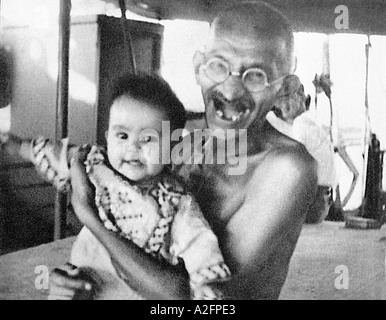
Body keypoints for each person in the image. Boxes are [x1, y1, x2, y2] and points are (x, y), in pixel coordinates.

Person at [49, 1, 318, 300]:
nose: (230, 91)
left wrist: (90, 218)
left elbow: (192, 299)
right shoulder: (186, 140)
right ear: (198, 68)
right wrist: (84, 279)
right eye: (219, 66)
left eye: (256, 76)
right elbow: (138, 231)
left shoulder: (288, 167)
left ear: (284, 88)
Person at [0, 73, 231, 300]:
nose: (133, 147)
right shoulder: (95, 167)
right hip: (84, 280)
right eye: (122, 136)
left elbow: (199, 242)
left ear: (173, 147)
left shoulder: (176, 200)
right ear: (108, 137)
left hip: (134, 290)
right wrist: (15, 144)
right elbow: (56, 155)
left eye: (148, 138)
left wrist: (205, 285)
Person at [267, 74, 337, 223]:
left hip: (312, 206)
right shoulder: (312, 121)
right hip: (321, 204)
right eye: (280, 103)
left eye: (287, 101)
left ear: (300, 97)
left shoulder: (300, 125)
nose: (282, 107)